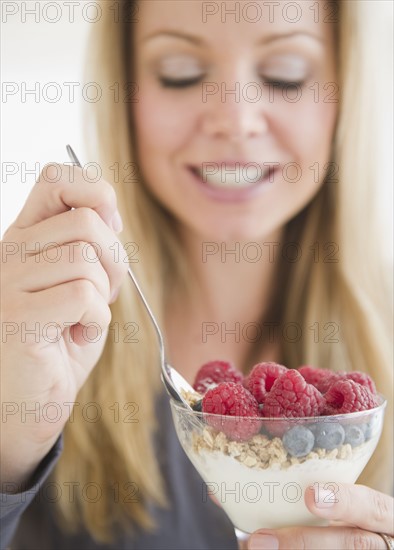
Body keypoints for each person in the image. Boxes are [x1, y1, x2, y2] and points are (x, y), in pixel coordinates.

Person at [1, 1, 393, 549]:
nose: (234, 120)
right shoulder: (35, 337)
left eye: (285, 75)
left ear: (343, 92)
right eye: (180, 74)